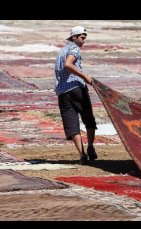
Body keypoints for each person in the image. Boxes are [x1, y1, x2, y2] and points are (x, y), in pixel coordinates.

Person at [54, 26, 98, 164]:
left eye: (84, 37)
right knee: (88, 118)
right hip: (76, 88)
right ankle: (90, 146)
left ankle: (82, 154)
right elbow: (68, 64)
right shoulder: (74, 49)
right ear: (74, 37)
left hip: (62, 91)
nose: (83, 40)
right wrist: (84, 76)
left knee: (72, 124)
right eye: (81, 37)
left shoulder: (62, 51)